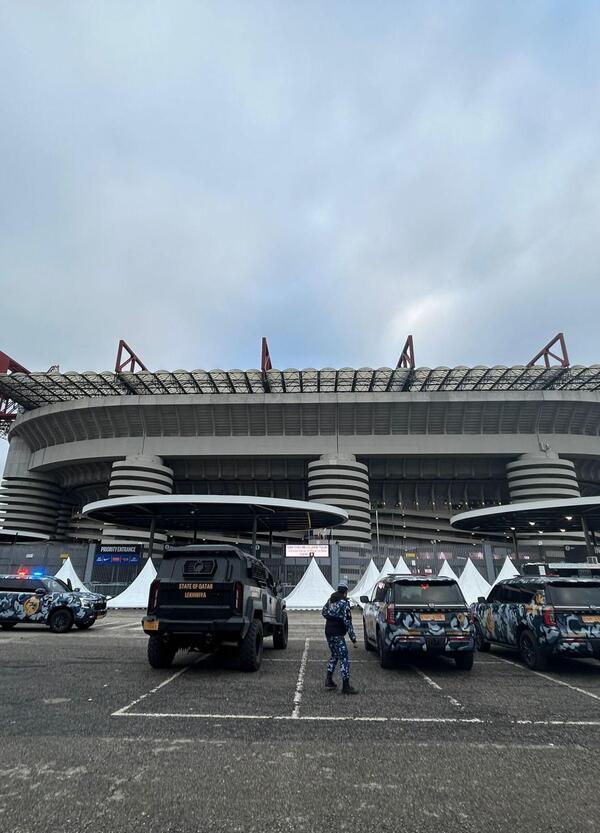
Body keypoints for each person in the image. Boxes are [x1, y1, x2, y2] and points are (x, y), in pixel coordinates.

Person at [321, 580, 358, 694]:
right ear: (345, 592)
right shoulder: (343, 604)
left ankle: (329, 680)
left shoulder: (330, 601)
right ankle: (346, 686)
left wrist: (332, 617)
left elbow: (323, 612)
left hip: (328, 632)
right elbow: (347, 622)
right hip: (337, 633)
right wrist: (353, 639)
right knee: (344, 658)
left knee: (334, 655)